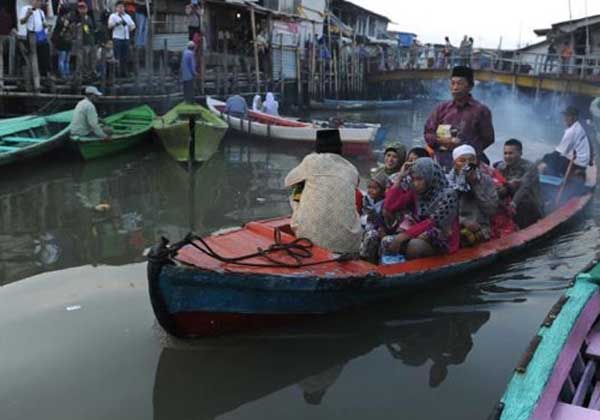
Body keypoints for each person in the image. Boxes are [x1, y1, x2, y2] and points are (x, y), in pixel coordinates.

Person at [285, 129, 362, 254]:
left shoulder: (311, 160)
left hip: (310, 238)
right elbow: (355, 184)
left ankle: (302, 224)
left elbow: (288, 181)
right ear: (340, 147)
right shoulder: (351, 168)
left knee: (298, 187)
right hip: (349, 241)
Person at [379, 158, 459, 260]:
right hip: (417, 234)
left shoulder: (449, 194)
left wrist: (404, 236)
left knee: (415, 246)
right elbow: (389, 206)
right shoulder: (417, 193)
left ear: (430, 177)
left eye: (419, 179)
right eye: (413, 179)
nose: (415, 183)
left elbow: (433, 221)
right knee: (386, 241)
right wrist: (400, 177)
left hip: (442, 240)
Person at [424, 65, 495, 170]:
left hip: (469, 167)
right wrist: (443, 142)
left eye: (460, 83)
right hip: (443, 163)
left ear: (470, 86)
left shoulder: (481, 111)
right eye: (453, 83)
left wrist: (464, 149)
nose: (455, 87)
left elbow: (488, 139)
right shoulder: (442, 109)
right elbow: (428, 133)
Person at [447, 145, 499, 247]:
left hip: (480, 228)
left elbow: (492, 210)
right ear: (454, 164)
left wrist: (475, 185)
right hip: (451, 227)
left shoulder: (486, 180)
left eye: (471, 160)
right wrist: (463, 221)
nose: (467, 164)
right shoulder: (447, 182)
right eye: (462, 161)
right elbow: (441, 212)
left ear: (476, 162)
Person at [494, 139, 544, 229]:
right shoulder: (501, 167)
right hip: (510, 199)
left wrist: (513, 204)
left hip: (530, 204)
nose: (507, 156)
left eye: (511, 153)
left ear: (520, 153)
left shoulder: (530, 168)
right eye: (505, 153)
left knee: (523, 201)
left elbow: (523, 188)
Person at [540, 106, 593, 178]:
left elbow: (558, 152)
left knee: (547, 158)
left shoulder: (572, 131)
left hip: (577, 163)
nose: (565, 118)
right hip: (584, 161)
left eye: (568, 116)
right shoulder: (581, 124)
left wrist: (544, 160)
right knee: (554, 157)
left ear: (575, 117)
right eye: (565, 115)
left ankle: (555, 178)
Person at [19, 0, 51, 77]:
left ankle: (44, 74)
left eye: (40, 1)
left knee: (45, 53)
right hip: (30, 37)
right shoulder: (25, 8)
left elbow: (42, 23)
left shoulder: (41, 12)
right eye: (37, 1)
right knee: (32, 58)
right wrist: (27, 15)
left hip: (40, 38)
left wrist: (46, 25)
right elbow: (22, 21)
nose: (39, 3)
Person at [108, 1, 135, 77]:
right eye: (119, 7)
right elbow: (109, 26)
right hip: (117, 38)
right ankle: (116, 73)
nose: (121, 9)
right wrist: (117, 23)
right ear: (116, 8)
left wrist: (130, 27)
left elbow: (133, 26)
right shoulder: (113, 16)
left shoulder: (127, 16)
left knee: (125, 56)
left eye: (122, 7)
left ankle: (124, 72)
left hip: (126, 38)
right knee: (117, 56)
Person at [52, 6, 73, 78]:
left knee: (67, 60)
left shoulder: (69, 20)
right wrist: (64, 26)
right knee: (62, 59)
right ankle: (62, 74)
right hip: (62, 42)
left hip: (68, 42)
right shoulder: (59, 21)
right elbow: (59, 33)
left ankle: (67, 73)